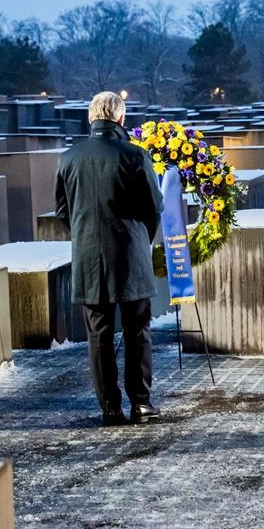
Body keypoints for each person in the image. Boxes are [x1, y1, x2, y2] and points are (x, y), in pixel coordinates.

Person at [55, 91, 163, 426]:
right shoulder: (135, 155)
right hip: (130, 254)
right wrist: (141, 237)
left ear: (91, 118)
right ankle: (140, 404)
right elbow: (152, 207)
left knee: (98, 335)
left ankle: (110, 408)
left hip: (89, 257)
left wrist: (85, 232)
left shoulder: (68, 159)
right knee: (137, 332)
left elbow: (62, 212)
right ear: (120, 119)